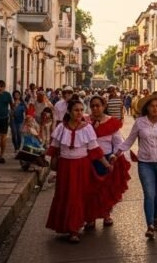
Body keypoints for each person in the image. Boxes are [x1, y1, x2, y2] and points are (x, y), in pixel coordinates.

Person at [45, 98, 110, 243]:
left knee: (77, 196)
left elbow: (94, 149)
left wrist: (106, 164)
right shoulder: (61, 128)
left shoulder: (87, 128)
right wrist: (51, 164)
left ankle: (74, 230)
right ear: (69, 111)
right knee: (65, 196)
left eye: (81, 110)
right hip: (65, 167)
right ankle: (67, 226)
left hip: (82, 166)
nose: (79, 113)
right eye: (76, 110)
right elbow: (54, 148)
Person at [117, 93, 157, 239]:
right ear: (147, 108)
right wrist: (117, 152)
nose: (155, 108)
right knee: (149, 194)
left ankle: (156, 218)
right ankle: (150, 225)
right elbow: (129, 140)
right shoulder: (140, 122)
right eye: (152, 106)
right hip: (145, 163)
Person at [84, 96, 131, 230]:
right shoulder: (85, 122)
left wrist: (114, 156)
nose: (95, 108)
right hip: (89, 160)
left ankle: (106, 215)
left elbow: (118, 143)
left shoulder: (112, 122)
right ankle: (90, 218)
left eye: (98, 105)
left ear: (104, 106)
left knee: (106, 189)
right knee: (90, 190)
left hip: (107, 159)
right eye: (92, 106)